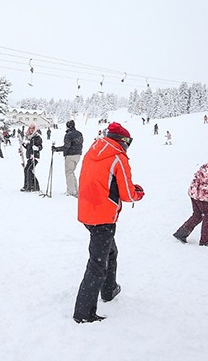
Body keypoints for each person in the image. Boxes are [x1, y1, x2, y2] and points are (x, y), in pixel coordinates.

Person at [73, 122, 144, 323]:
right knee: (97, 265)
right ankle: (83, 313)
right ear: (122, 141)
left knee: (110, 252)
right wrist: (138, 192)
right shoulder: (118, 157)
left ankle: (109, 289)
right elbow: (128, 193)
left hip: (87, 211)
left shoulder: (94, 149)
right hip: (103, 216)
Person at [51, 120, 84, 197]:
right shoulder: (79, 133)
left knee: (69, 172)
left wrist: (56, 149)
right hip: (78, 155)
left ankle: (71, 191)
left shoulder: (68, 135)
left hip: (70, 155)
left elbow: (67, 146)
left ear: (68, 126)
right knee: (72, 172)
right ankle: (76, 190)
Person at [20, 124, 42, 192]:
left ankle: (31, 186)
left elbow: (40, 146)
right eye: (30, 128)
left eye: (33, 128)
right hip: (29, 157)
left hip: (35, 157)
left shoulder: (37, 137)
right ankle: (28, 185)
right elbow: (29, 148)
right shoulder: (30, 137)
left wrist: (37, 148)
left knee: (29, 170)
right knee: (26, 170)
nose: (31, 130)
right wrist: (24, 145)